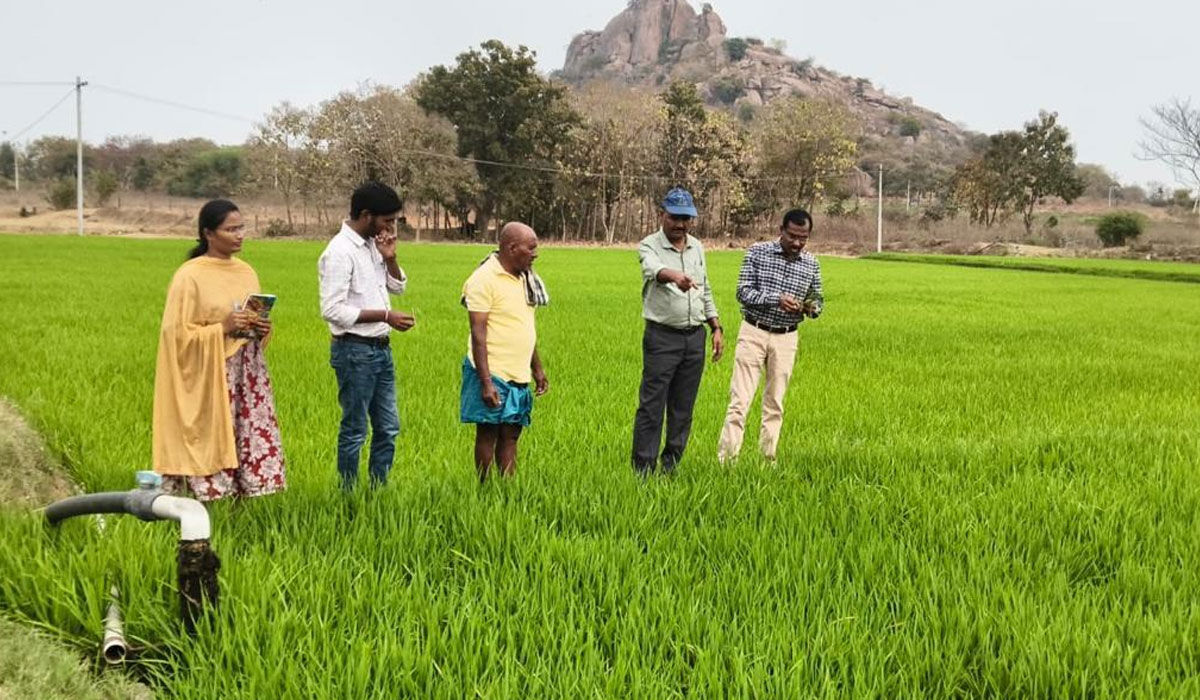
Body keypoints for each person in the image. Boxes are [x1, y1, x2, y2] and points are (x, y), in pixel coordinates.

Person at [153, 199, 286, 501]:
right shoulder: (189, 276)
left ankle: (243, 497)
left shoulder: (245, 271)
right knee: (210, 434)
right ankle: (204, 501)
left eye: (242, 228)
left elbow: (249, 318)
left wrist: (261, 328)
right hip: (211, 373)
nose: (240, 235)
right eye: (231, 229)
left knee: (247, 431)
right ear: (208, 234)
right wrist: (221, 327)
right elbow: (176, 334)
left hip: (247, 371)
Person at [318, 182, 416, 490]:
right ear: (365, 215)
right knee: (355, 429)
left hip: (380, 350)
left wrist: (390, 257)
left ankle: (378, 489)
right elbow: (333, 309)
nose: (390, 227)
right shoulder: (339, 252)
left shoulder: (374, 245)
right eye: (387, 220)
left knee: (388, 428)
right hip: (354, 351)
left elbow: (398, 287)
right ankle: (348, 493)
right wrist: (386, 316)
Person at [717, 208, 823, 463]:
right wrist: (776, 299)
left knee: (775, 403)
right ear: (781, 231)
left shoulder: (811, 263)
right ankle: (726, 461)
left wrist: (810, 308)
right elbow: (743, 292)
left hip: (787, 337)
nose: (797, 243)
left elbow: (818, 300)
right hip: (754, 331)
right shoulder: (757, 253)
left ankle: (768, 459)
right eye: (793, 236)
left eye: (803, 238)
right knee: (739, 402)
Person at [631, 187, 723, 475]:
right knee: (652, 406)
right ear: (662, 214)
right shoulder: (649, 245)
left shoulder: (697, 247)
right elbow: (653, 269)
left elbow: (705, 288)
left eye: (686, 218)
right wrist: (674, 276)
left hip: (694, 337)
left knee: (683, 408)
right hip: (662, 337)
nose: (680, 224)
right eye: (674, 217)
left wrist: (715, 326)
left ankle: (670, 467)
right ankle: (643, 471)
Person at [460, 222, 549, 482]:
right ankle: (486, 488)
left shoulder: (525, 279)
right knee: (488, 433)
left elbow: (524, 327)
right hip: (492, 371)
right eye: (531, 248)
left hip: (519, 372)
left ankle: (506, 488)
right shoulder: (483, 279)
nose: (536, 253)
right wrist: (485, 383)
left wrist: (537, 368)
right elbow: (478, 334)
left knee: (511, 433)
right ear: (512, 248)